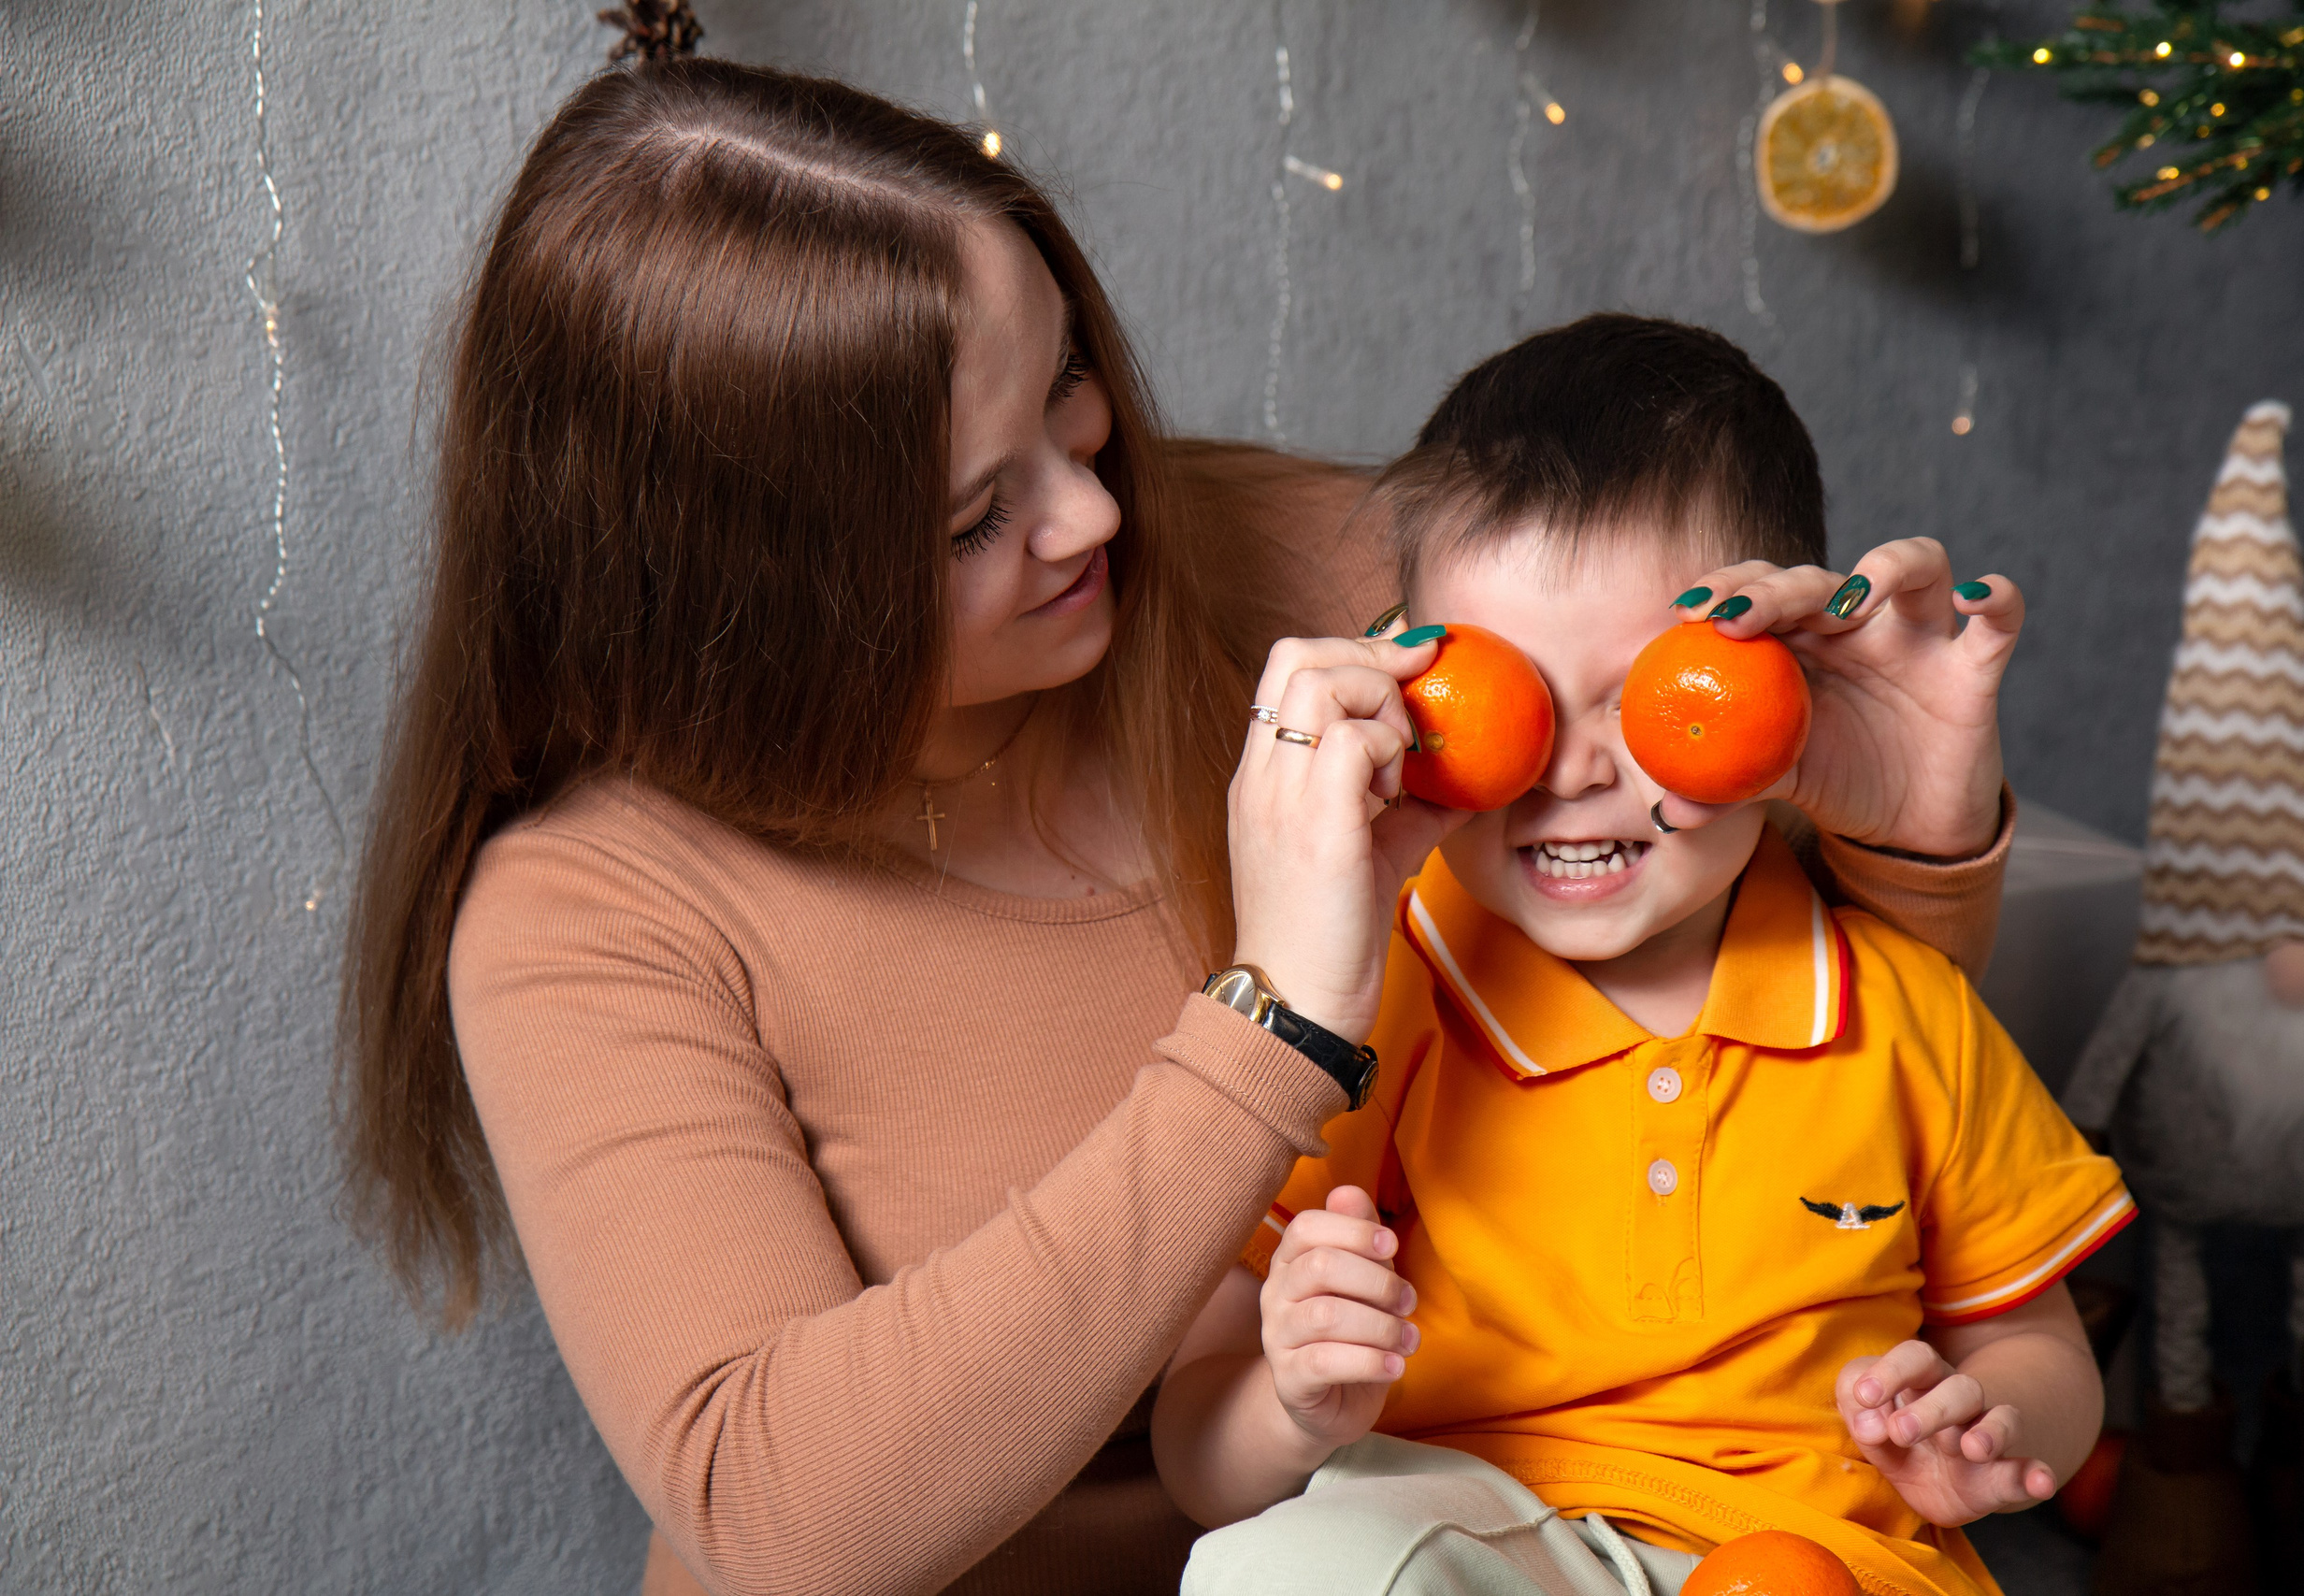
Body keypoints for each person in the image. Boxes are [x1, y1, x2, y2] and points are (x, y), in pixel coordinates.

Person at [338, 58, 2026, 1596]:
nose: (1093, 510)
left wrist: (1909, 846)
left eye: (1067, 385)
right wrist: (1273, 1014)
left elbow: (1828, 1091)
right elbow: (783, 1520)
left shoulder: (1299, 575)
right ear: (755, 598)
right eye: (975, 516)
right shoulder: (589, 911)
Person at [1151, 317, 2129, 1596]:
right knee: (1282, 1573)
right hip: (1475, 1526)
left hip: (1831, 1552)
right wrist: (1293, 1403)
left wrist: (1992, 1422)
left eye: (1647, 696)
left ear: (1789, 692)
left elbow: (2040, 1345)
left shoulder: (1896, 998)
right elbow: (1197, 1456)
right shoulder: (1383, 983)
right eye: (1510, 699)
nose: (1573, 771)